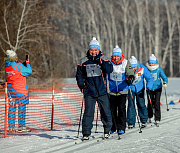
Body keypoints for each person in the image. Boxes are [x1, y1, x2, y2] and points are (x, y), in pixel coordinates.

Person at [76, 37, 113, 140]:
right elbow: (79, 75)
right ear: (89, 50)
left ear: (98, 50)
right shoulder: (83, 61)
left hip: (102, 91)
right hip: (89, 92)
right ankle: (86, 133)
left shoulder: (104, 58)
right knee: (88, 113)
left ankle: (107, 130)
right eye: (92, 50)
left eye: (95, 50)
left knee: (106, 112)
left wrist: (102, 62)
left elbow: (109, 70)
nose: (93, 52)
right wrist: (82, 86)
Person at [107, 45, 134, 135]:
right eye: (114, 56)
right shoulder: (109, 62)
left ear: (120, 55)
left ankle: (121, 127)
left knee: (122, 108)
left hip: (123, 90)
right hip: (112, 90)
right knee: (112, 109)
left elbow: (131, 73)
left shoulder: (126, 63)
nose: (116, 58)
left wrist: (130, 78)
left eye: (117, 56)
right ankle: (113, 127)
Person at [5, 50, 32, 133]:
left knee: (12, 107)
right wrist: (27, 63)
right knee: (22, 108)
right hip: (20, 90)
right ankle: (21, 126)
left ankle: (11, 127)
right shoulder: (18, 65)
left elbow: (15, 72)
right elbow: (28, 71)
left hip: (10, 90)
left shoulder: (7, 66)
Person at [127, 56, 153, 129]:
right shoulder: (126, 68)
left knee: (141, 104)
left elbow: (149, 78)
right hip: (130, 89)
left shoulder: (142, 68)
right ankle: (130, 122)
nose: (133, 69)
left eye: (134, 67)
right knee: (131, 105)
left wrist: (148, 87)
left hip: (140, 88)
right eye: (132, 67)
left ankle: (144, 120)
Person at [146, 54, 168, 126]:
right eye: (150, 63)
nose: (151, 64)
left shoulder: (159, 69)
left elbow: (164, 77)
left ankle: (157, 118)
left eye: (153, 63)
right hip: (149, 88)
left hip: (158, 88)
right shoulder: (146, 69)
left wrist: (165, 82)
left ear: (155, 63)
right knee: (150, 103)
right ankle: (150, 116)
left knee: (157, 103)